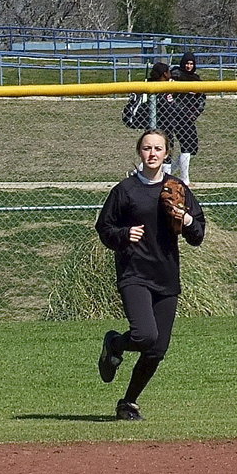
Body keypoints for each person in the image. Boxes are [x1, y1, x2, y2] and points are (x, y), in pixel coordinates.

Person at [95, 129, 206, 421]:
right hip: (134, 272)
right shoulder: (125, 190)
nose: (152, 153)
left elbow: (198, 234)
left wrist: (188, 218)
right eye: (147, 148)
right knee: (145, 335)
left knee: (157, 349)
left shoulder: (177, 188)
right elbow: (104, 228)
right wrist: (123, 233)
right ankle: (115, 344)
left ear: (167, 153)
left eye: (158, 148)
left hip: (166, 275)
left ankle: (128, 403)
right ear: (139, 152)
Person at [169, 52, 206, 185]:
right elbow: (169, 97)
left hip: (188, 118)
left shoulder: (196, 79)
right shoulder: (175, 75)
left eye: (191, 63)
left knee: (191, 147)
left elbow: (201, 100)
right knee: (176, 148)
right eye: (187, 63)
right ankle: (184, 179)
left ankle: (166, 175)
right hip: (174, 117)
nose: (189, 66)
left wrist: (193, 114)